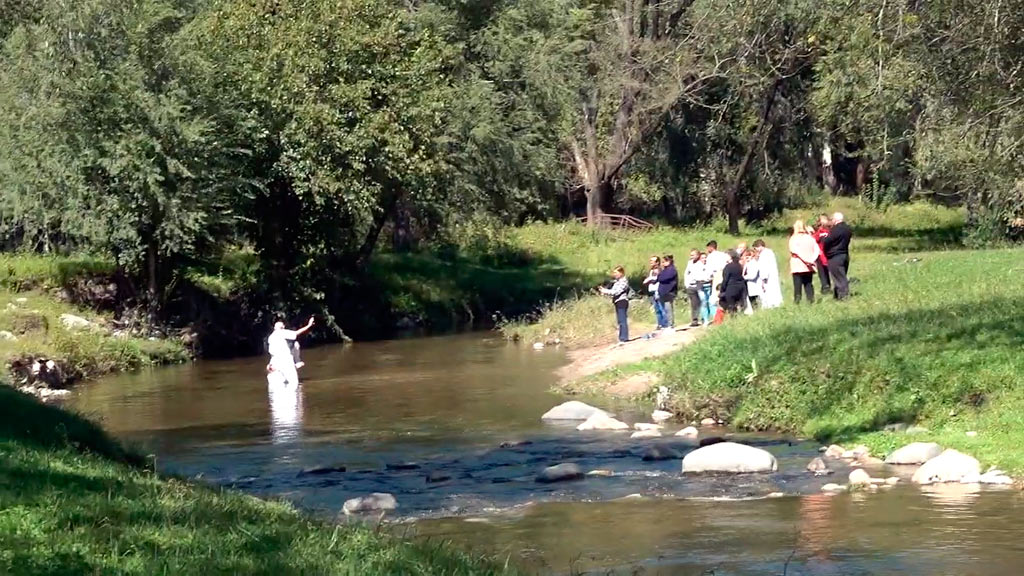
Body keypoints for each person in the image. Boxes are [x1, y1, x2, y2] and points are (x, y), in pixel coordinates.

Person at [266, 316, 315, 386]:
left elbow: (272, 353)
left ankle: (296, 365)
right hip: (286, 361)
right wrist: (309, 325)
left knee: (276, 385)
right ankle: (296, 365)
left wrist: (270, 365)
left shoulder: (270, 338)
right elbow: (296, 333)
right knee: (294, 383)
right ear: (283, 327)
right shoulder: (281, 332)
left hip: (275, 363)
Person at [789, 220, 820, 304]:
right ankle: (811, 300)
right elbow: (817, 249)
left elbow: (794, 251)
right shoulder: (810, 238)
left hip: (798, 265)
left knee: (797, 285)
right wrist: (811, 260)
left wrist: (805, 260)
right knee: (808, 284)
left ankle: (797, 302)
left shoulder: (793, 238)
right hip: (809, 266)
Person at [822, 212, 852, 300]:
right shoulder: (848, 229)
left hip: (835, 256)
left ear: (835, 219)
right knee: (840, 275)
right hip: (844, 254)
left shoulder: (835, 230)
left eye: (832, 219)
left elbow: (828, 241)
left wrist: (824, 239)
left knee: (839, 277)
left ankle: (843, 296)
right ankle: (837, 295)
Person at [599, 266, 632, 343]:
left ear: (621, 273)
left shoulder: (624, 281)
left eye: (616, 272)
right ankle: (622, 337)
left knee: (622, 320)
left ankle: (624, 338)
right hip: (617, 301)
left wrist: (605, 291)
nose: (614, 274)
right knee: (620, 320)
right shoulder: (617, 281)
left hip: (622, 301)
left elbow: (616, 292)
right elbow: (613, 291)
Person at [753, 239, 783, 309]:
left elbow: (764, 267)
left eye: (756, 248)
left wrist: (763, 279)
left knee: (769, 292)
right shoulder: (770, 252)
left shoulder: (764, 255)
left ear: (759, 246)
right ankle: (776, 304)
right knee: (775, 290)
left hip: (767, 278)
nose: (756, 250)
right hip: (772, 275)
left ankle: (770, 305)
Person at [642, 256, 667, 330]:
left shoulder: (659, 270)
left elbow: (656, 279)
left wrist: (649, 279)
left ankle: (665, 324)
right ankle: (660, 324)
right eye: (650, 261)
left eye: (652, 261)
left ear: (657, 262)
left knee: (661, 307)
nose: (651, 262)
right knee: (657, 309)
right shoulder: (651, 271)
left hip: (657, 290)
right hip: (652, 291)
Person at [718, 250, 747, 315]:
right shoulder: (739, 265)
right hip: (740, 288)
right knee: (738, 306)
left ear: (730, 257)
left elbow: (725, 280)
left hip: (730, 289)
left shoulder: (728, 267)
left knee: (731, 307)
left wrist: (722, 290)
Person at [683, 249, 705, 327]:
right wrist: (687, 283)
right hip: (690, 285)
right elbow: (686, 273)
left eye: (693, 255)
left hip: (698, 285)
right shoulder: (690, 263)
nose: (691, 256)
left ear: (698, 255)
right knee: (693, 304)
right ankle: (694, 320)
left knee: (701, 303)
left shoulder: (701, 264)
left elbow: (702, 274)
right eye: (691, 255)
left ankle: (703, 318)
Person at [656, 254, 678, 329]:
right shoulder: (664, 270)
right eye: (662, 262)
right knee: (665, 309)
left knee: (668, 309)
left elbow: (663, 278)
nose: (663, 263)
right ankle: (668, 324)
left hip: (669, 292)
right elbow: (659, 278)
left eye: (664, 262)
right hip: (663, 292)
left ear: (669, 261)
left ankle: (671, 325)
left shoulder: (672, 270)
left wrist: (660, 276)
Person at [812, 214, 832, 294]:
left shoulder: (819, 233)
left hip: (820, 254)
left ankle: (825, 286)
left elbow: (813, 240)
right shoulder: (831, 232)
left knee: (822, 272)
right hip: (828, 254)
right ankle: (828, 286)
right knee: (828, 271)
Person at [697, 252, 714, 324]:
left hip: (709, 285)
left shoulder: (709, 265)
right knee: (703, 301)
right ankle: (705, 320)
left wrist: (709, 278)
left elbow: (711, 274)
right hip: (701, 286)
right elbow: (696, 276)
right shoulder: (697, 266)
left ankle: (713, 318)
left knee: (710, 302)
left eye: (705, 257)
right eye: (702, 258)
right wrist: (702, 278)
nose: (704, 259)